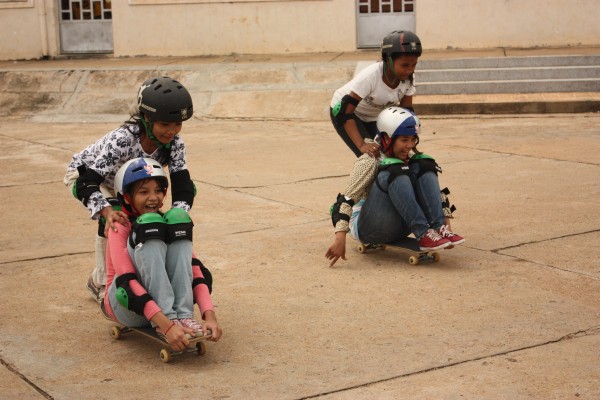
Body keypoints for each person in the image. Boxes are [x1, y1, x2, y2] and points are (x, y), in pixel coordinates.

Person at [64, 76, 197, 303]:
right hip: (90, 176)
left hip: (130, 181)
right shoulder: (122, 139)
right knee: (117, 218)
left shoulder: (175, 143)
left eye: (177, 124)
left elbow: (183, 183)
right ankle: (102, 282)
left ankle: (134, 275)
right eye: (165, 124)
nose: (172, 131)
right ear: (146, 118)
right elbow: (88, 182)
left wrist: (178, 214)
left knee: (150, 219)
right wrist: (107, 212)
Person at [103, 157, 222, 349]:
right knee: (149, 225)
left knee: (177, 218)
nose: (153, 197)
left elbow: (194, 270)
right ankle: (169, 318)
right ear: (126, 197)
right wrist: (166, 325)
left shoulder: (167, 221)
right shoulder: (120, 225)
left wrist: (210, 315)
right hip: (126, 303)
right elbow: (126, 283)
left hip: (160, 304)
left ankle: (182, 316)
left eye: (158, 191)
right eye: (144, 192)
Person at [325, 107, 465, 267]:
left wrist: (446, 228)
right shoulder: (369, 160)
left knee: (424, 164)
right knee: (394, 170)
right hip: (370, 228)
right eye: (404, 140)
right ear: (386, 138)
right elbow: (346, 200)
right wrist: (339, 238)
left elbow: (434, 193)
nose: (410, 145)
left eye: (413, 139)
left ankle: (436, 228)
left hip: (401, 225)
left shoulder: (409, 158)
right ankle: (423, 232)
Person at [330, 30, 422, 158]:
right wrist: (361, 145)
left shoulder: (408, 77)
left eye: (414, 64)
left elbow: (406, 113)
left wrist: (408, 139)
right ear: (388, 60)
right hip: (346, 113)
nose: (410, 70)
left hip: (374, 117)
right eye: (405, 65)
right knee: (371, 157)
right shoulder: (371, 76)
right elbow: (345, 112)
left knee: (391, 153)